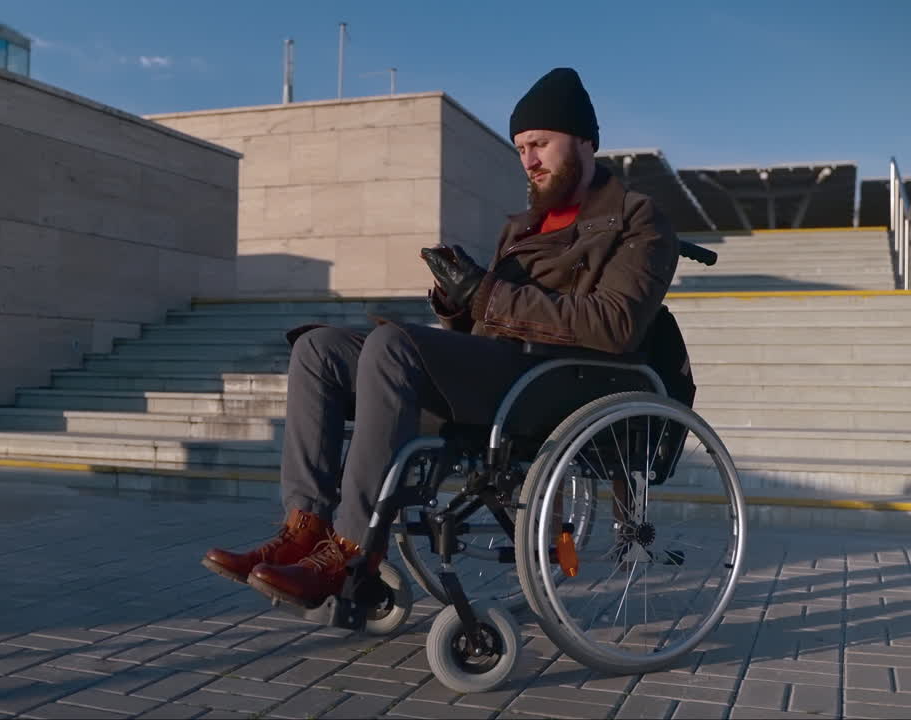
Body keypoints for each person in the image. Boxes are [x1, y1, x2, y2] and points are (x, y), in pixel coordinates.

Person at [201, 67, 693, 609]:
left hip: (559, 379)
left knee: (393, 346)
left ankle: (351, 549)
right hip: (501, 366)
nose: (528, 160)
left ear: (584, 140)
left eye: (539, 144)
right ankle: (305, 527)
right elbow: (486, 323)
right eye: (520, 149)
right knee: (318, 349)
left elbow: (614, 325)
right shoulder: (523, 227)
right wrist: (457, 302)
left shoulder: (637, 220)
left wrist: (484, 293)